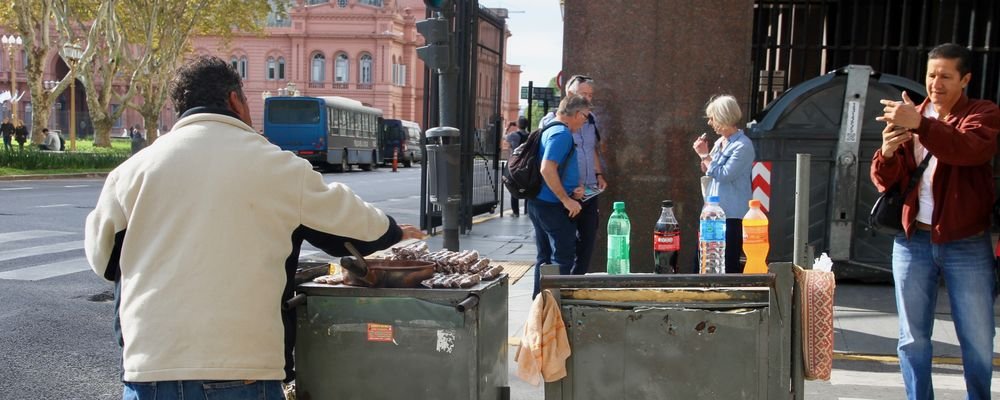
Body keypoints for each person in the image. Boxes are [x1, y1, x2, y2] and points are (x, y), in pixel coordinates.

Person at [84, 56, 424, 400]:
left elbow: (104, 261)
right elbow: (359, 228)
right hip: (243, 371)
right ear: (235, 100)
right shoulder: (277, 166)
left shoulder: (131, 172)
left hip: (150, 369)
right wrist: (396, 233)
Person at [871, 43, 998, 400]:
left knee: (976, 336)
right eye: (931, 75)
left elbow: (970, 149)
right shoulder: (914, 115)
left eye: (945, 76)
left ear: (965, 79)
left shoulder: (982, 113)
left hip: (966, 241)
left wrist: (921, 126)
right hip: (913, 241)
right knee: (912, 338)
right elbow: (886, 181)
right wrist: (888, 151)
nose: (935, 83)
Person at [539, 75, 607, 275]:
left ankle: (575, 285)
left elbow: (591, 148)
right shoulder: (552, 122)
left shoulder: (590, 119)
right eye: (583, 93)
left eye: (590, 94)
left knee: (586, 243)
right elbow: (545, 163)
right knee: (558, 251)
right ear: (570, 95)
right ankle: (550, 295)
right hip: (564, 194)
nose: (588, 98)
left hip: (588, 190)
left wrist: (598, 174)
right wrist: (566, 194)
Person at [529, 94, 591, 297]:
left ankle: (539, 305)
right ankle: (553, 309)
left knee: (544, 257)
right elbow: (547, 169)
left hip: (540, 203)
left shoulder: (549, 129)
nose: (585, 121)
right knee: (562, 258)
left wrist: (573, 188)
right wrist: (566, 200)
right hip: (552, 206)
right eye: (585, 116)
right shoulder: (561, 134)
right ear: (576, 113)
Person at [691, 94, 755, 274]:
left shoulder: (743, 145)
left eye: (712, 118)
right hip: (712, 211)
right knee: (703, 257)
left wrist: (705, 155)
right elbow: (709, 169)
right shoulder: (721, 142)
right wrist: (703, 156)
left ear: (723, 117)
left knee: (727, 262)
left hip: (731, 214)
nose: (710, 123)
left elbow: (724, 174)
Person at [505, 116, 530, 216]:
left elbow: (504, 137)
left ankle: (516, 212)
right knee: (527, 187)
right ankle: (527, 210)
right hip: (526, 163)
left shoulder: (513, 135)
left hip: (515, 163)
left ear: (518, 124)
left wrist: (507, 127)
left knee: (514, 186)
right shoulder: (530, 135)